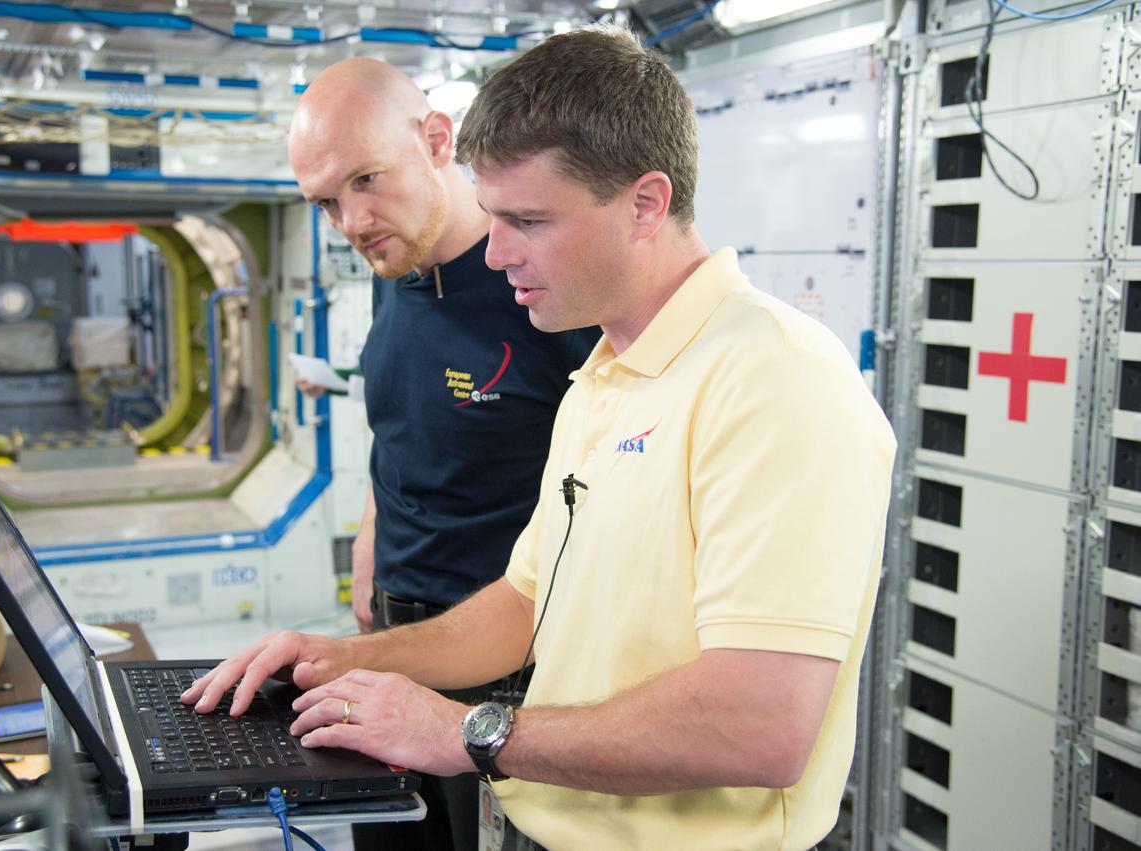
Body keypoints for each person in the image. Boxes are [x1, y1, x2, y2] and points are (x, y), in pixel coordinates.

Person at [184, 24, 896, 851]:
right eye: (491, 216)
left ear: (645, 203)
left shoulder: (775, 378)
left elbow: (761, 726)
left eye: (527, 219)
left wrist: (466, 731)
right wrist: (337, 658)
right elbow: (525, 604)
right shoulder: (603, 374)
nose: (496, 250)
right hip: (551, 817)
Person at [284, 57, 598, 851]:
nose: (351, 222)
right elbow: (404, 424)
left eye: (365, 180)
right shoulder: (396, 264)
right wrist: (368, 544)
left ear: (434, 139)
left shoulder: (544, 288)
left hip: (505, 661)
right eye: (325, 203)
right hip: (392, 633)